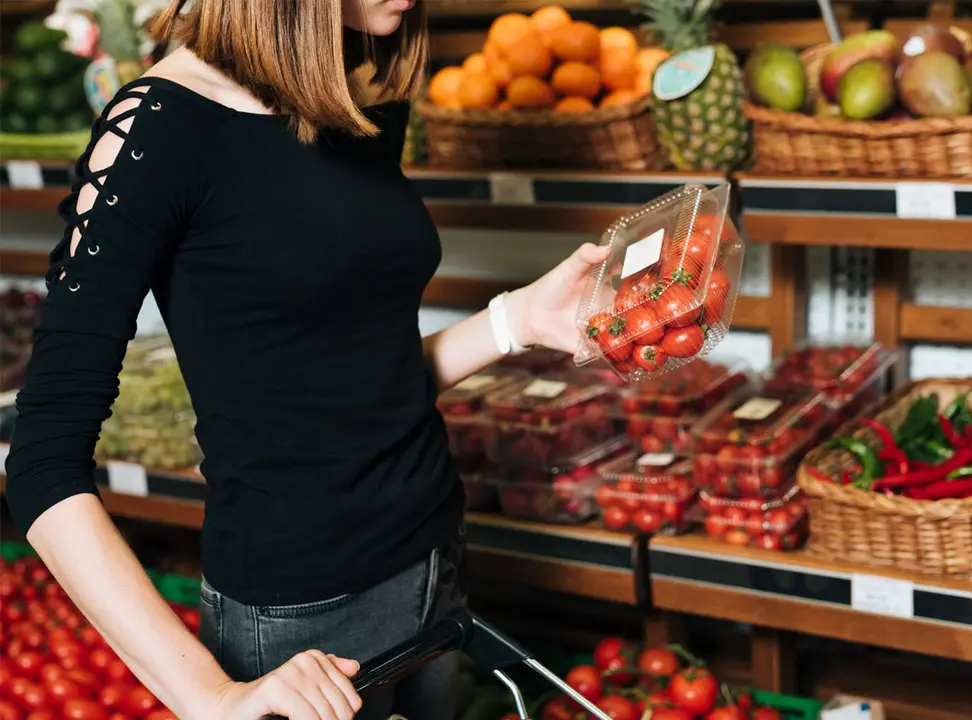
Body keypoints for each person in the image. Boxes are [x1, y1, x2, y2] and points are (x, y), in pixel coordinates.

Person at [3, 0, 608, 717]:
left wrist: (516, 321)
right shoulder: (157, 127)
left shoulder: (348, 99)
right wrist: (209, 696)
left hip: (434, 557)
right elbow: (41, 460)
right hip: (301, 620)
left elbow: (352, 382)